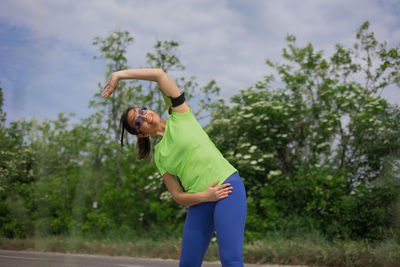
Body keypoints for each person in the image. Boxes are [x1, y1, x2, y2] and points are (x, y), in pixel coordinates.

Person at [102, 68, 247, 267]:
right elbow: (178, 195)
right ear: (141, 134)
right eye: (137, 122)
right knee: (187, 263)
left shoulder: (180, 115)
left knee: (230, 259)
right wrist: (205, 196)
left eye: (142, 111)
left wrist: (119, 75)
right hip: (200, 200)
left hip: (227, 187)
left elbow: (160, 75)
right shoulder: (160, 156)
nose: (144, 117)